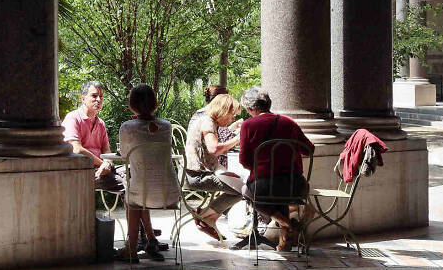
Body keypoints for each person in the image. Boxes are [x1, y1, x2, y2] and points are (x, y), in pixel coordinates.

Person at [237, 87, 312, 251]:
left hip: (263, 186)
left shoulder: (248, 125)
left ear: (250, 108)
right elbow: (309, 149)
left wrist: (262, 169)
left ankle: (286, 223)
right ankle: (284, 243)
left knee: (246, 191)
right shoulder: (289, 122)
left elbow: (244, 160)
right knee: (281, 195)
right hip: (296, 186)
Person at [117, 84, 174, 263]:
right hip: (170, 193)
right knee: (137, 194)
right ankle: (150, 240)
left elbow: (125, 155)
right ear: (154, 103)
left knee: (133, 197)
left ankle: (132, 250)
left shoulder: (128, 127)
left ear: (132, 104)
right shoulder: (166, 126)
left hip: (142, 193)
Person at [185, 93, 245, 242]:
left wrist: (225, 173)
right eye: (232, 115)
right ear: (223, 111)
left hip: (195, 173)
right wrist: (239, 138)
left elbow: (210, 155)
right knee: (243, 190)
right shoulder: (208, 122)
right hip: (196, 177)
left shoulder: (206, 119)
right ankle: (205, 216)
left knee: (238, 182)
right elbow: (214, 149)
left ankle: (209, 219)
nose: (233, 119)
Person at [62, 81, 119, 191]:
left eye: (101, 97)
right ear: (83, 98)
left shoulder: (100, 123)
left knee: (133, 173)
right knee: (127, 182)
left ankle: (135, 205)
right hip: (80, 171)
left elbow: (107, 150)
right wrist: (103, 164)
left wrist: (108, 164)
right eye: (94, 96)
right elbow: (76, 149)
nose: (98, 100)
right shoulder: (73, 118)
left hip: (101, 170)